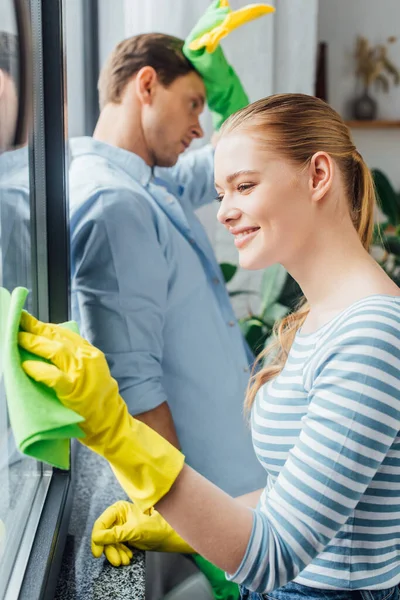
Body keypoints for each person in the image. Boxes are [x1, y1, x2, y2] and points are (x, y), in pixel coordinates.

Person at [20, 93, 400, 600]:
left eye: (243, 186)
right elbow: (296, 497)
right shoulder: (322, 315)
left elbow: (277, 555)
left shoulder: (371, 333)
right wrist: (176, 525)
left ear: (317, 176)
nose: (224, 211)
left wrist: (117, 432)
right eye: (221, 192)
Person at [67, 2, 273, 597]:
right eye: (193, 105)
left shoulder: (152, 180)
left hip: (239, 499)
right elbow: (137, 390)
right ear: (147, 85)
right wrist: (197, 527)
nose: (200, 127)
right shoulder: (115, 203)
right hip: (219, 514)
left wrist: (225, 82)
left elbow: (253, 158)